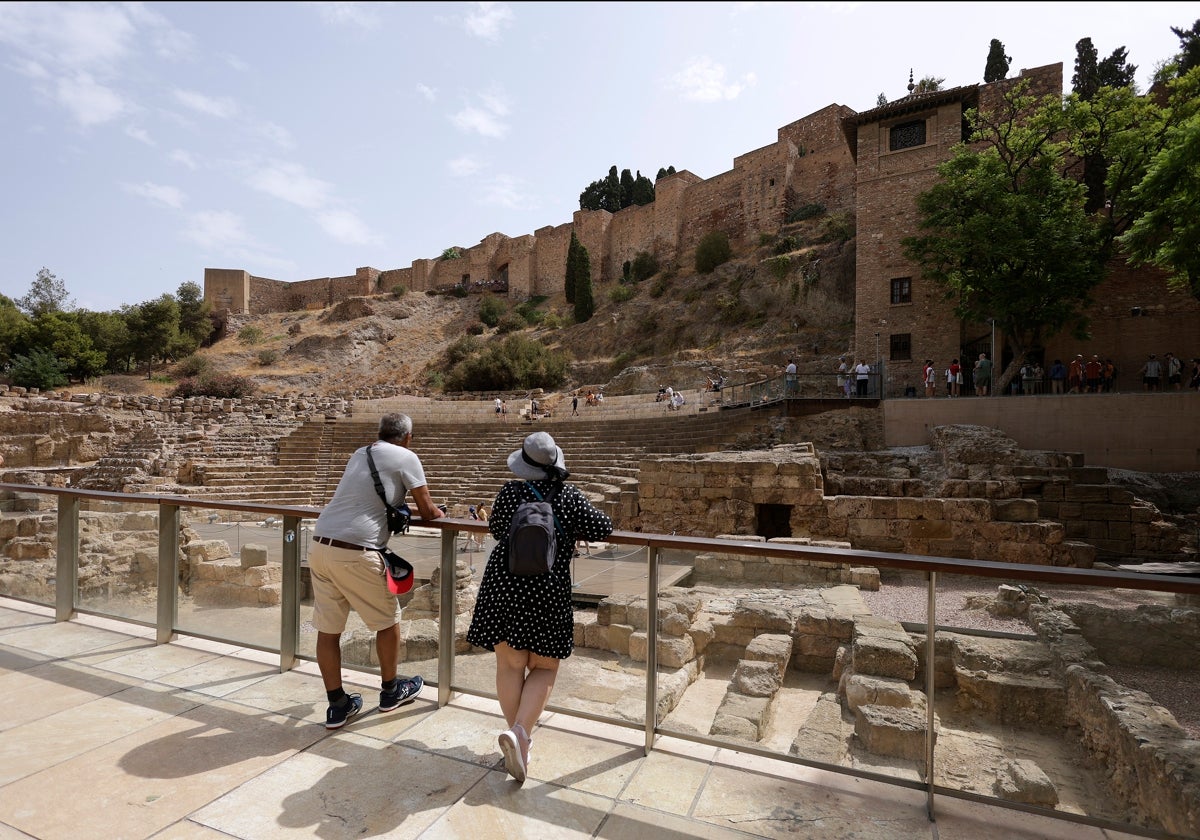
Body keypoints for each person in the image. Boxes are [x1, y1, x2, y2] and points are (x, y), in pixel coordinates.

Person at [466, 431, 613, 783]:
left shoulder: (509, 493)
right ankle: (520, 734)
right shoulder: (569, 496)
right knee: (545, 668)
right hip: (548, 589)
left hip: (505, 585)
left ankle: (519, 739)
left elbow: (499, 530)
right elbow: (603, 528)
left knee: (510, 664)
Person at [310, 413, 446, 730]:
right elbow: (427, 510)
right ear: (408, 437)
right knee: (388, 621)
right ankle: (390, 690)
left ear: (380, 433)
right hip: (356, 550)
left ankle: (338, 704)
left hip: (320, 543)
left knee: (328, 630)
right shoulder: (407, 456)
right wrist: (439, 511)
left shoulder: (361, 453)